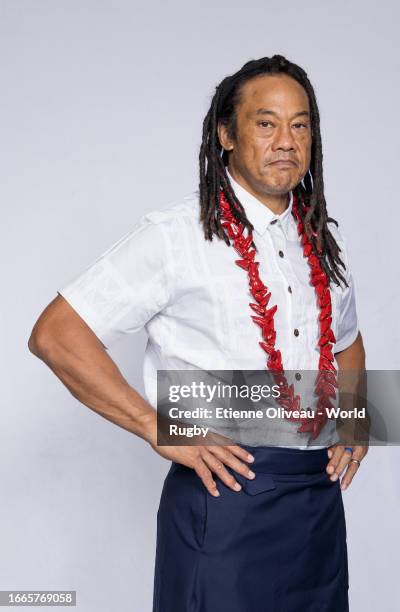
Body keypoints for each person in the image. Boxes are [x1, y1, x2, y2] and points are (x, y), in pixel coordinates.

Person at [28, 54, 368, 611]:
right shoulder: (176, 236)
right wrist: (154, 425)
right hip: (224, 501)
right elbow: (56, 334)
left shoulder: (324, 239)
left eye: (300, 124)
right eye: (266, 123)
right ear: (226, 134)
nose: (286, 140)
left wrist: (355, 418)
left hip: (317, 507)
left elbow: (347, 340)